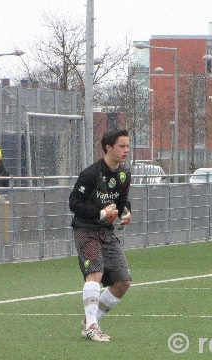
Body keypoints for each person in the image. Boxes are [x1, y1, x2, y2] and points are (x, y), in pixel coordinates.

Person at [69, 129, 133, 342]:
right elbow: (74, 203)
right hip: (86, 229)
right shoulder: (91, 174)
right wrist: (100, 213)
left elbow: (122, 202)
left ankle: (90, 320)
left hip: (106, 231)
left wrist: (125, 213)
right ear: (108, 147)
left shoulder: (124, 174)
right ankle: (92, 328)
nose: (126, 150)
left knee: (123, 282)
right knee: (94, 274)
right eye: (121, 146)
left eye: (127, 146)